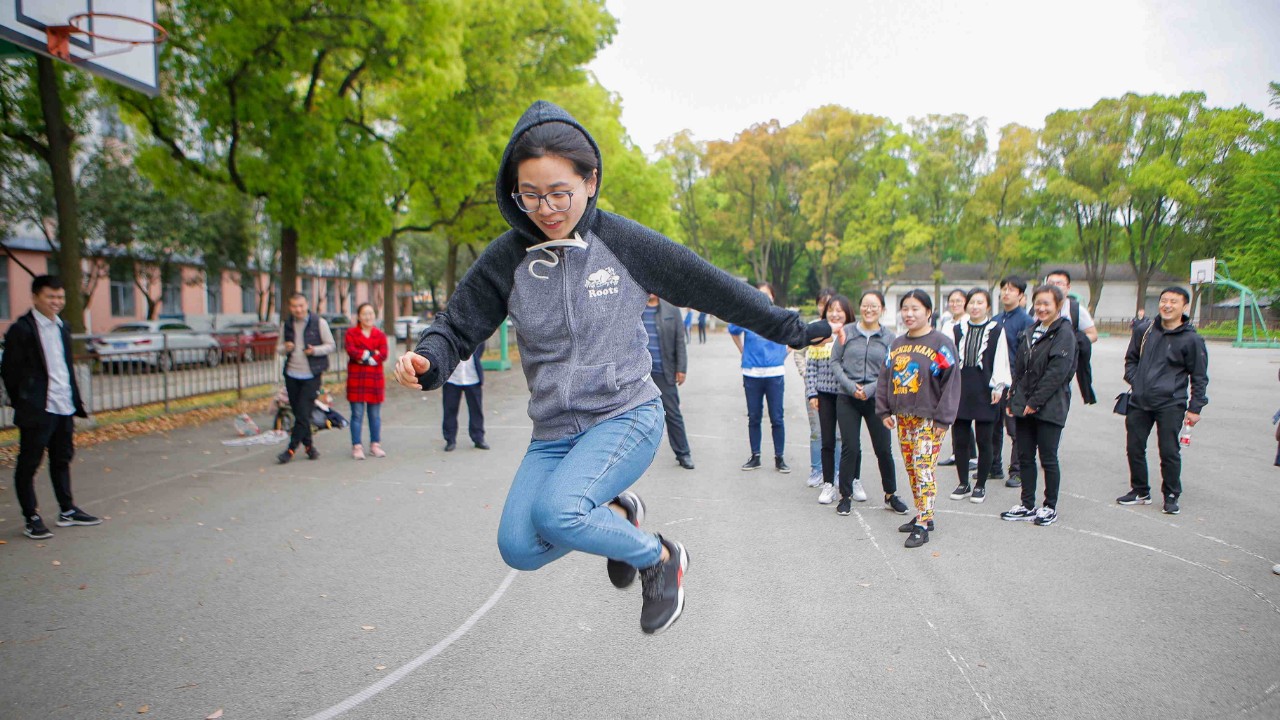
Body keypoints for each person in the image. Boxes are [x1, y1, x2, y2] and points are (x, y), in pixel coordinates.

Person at [392, 101, 829, 635]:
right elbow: (457, 324)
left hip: (626, 414)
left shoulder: (622, 243)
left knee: (559, 513)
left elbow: (710, 285)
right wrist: (429, 359)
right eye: (528, 195)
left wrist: (789, 327)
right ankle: (619, 514)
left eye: (559, 192)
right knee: (518, 547)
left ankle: (661, 558)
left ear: (590, 180)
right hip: (554, 433)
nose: (545, 208)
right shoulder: (508, 257)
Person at [1, 275, 98, 539]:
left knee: (62, 459)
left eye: (60, 297)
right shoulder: (21, 330)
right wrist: (24, 401)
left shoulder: (62, 327)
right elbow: (9, 371)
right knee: (29, 463)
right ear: (35, 297)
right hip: (37, 409)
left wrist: (74, 398)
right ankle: (31, 516)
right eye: (50, 297)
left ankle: (67, 510)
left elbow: (64, 367)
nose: (56, 302)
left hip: (63, 405)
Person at [875, 289, 961, 549]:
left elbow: (952, 383)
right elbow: (885, 379)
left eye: (915, 309)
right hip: (903, 417)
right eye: (905, 308)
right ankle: (924, 513)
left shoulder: (941, 343)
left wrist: (942, 420)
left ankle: (923, 523)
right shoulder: (898, 344)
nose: (909, 314)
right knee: (912, 468)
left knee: (924, 468)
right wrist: (884, 410)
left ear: (928, 312)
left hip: (929, 419)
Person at [1117, 286, 1209, 515]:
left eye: (1174, 301)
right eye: (1164, 300)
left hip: (1171, 402)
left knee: (1168, 450)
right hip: (1140, 399)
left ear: (1184, 307)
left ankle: (1171, 494)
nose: (1167, 305)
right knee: (1134, 447)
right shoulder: (1144, 330)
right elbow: (1131, 359)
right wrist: (1136, 382)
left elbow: (1199, 376)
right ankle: (1140, 490)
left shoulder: (1192, 339)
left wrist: (1195, 407)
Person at [1000, 285, 1077, 526]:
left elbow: (1057, 373)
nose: (1042, 308)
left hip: (1050, 406)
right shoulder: (1030, 330)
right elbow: (1020, 370)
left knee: (1048, 457)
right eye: (1039, 303)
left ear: (1058, 305)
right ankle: (1027, 504)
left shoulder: (1064, 333)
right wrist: (1013, 399)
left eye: (1047, 304)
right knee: (1024, 456)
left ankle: (1049, 506)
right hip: (1025, 406)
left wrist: (1034, 402)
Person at [832, 290, 906, 517]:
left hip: (877, 398)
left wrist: (871, 388)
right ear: (860, 307)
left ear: (882, 309)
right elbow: (835, 361)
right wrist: (851, 386)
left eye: (874, 306)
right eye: (865, 305)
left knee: (883, 448)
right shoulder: (847, 332)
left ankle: (890, 494)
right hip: (848, 397)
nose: (869, 309)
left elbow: (892, 369)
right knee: (850, 447)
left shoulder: (890, 338)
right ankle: (845, 496)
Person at [947, 288, 1011, 504]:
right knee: (961, 440)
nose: (975, 306)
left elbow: (1001, 359)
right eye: (972, 302)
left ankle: (981, 484)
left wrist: (998, 387)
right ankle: (963, 482)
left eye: (980, 303)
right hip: (961, 389)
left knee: (985, 440)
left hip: (985, 388)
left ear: (988, 307)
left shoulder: (996, 329)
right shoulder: (957, 329)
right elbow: (948, 359)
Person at [730, 282, 795, 474]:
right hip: (752, 373)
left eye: (767, 294)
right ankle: (755, 456)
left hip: (774, 373)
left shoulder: (779, 315)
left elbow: (795, 333)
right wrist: (742, 351)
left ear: (773, 297)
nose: (763, 298)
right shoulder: (748, 315)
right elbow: (733, 331)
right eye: (759, 294)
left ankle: (779, 457)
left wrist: (786, 351)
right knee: (754, 416)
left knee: (777, 417)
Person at [277, 293, 335, 464]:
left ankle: (291, 448)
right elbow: (278, 349)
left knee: (303, 412)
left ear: (307, 304)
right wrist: (285, 348)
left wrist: (314, 350)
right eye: (295, 306)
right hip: (292, 374)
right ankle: (309, 447)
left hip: (312, 374)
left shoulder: (319, 322)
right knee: (300, 414)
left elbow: (331, 345)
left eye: (301, 305)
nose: (298, 309)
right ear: (290, 307)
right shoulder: (287, 325)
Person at [807, 293, 851, 504]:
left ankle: (844, 477)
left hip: (847, 394)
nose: (835, 313)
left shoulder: (853, 334)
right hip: (823, 394)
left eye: (839, 310)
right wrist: (812, 393)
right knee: (826, 439)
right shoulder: (819, 334)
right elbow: (811, 368)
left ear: (847, 313)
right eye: (831, 309)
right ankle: (827, 483)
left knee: (846, 439)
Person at [991, 275, 1033, 488]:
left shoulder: (1026, 322)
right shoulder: (996, 320)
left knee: (1015, 429)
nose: (1006, 293)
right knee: (993, 426)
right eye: (1004, 289)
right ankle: (994, 466)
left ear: (1021, 295)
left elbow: (1026, 356)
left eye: (1011, 289)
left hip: (1016, 383)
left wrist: (1019, 384)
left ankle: (1017, 471)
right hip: (996, 382)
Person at [645, 294, 693, 469]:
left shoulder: (671, 309)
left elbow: (680, 340)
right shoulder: (635, 308)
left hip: (664, 372)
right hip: (639, 375)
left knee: (673, 414)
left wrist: (681, 368)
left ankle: (683, 453)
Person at [800, 288, 841, 489]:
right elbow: (800, 354)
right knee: (817, 432)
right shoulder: (814, 328)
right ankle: (817, 470)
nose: (826, 308)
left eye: (830, 304)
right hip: (816, 389)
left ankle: (838, 471)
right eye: (822, 304)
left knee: (839, 434)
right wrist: (809, 384)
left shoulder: (845, 329)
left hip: (839, 391)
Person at [1045, 269, 1097, 404]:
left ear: (1068, 288)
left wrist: (1071, 343)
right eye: (1051, 283)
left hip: (1063, 367)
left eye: (1059, 283)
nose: (1055, 286)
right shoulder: (1035, 309)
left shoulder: (1076, 310)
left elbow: (1092, 335)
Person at [938, 288, 977, 469]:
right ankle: (956, 453)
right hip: (947, 370)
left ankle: (972, 455)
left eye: (959, 301)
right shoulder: (947, 323)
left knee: (964, 415)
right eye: (952, 301)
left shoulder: (968, 322)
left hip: (963, 372)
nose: (954, 304)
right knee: (954, 414)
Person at [346, 303, 389, 459]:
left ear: (374, 315)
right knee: (357, 414)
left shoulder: (380, 335)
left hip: (374, 380)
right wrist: (371, 355)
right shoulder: (351, 333)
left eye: (371, 313)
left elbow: (383, 354)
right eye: (364, 314)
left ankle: (375, 445)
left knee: (375, 415)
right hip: (356, 380)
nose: (368, 317)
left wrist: (364, 357)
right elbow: (352, 351)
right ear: (359, 316)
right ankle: (357, 446)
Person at [442, 340, 488, 452]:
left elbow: (480, 347)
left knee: (476, 409)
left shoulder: (474, 331)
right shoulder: (449, 331)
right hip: (452, 378)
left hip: (472, 377)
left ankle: (478, 438)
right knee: (449, 409)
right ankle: (450, 439)